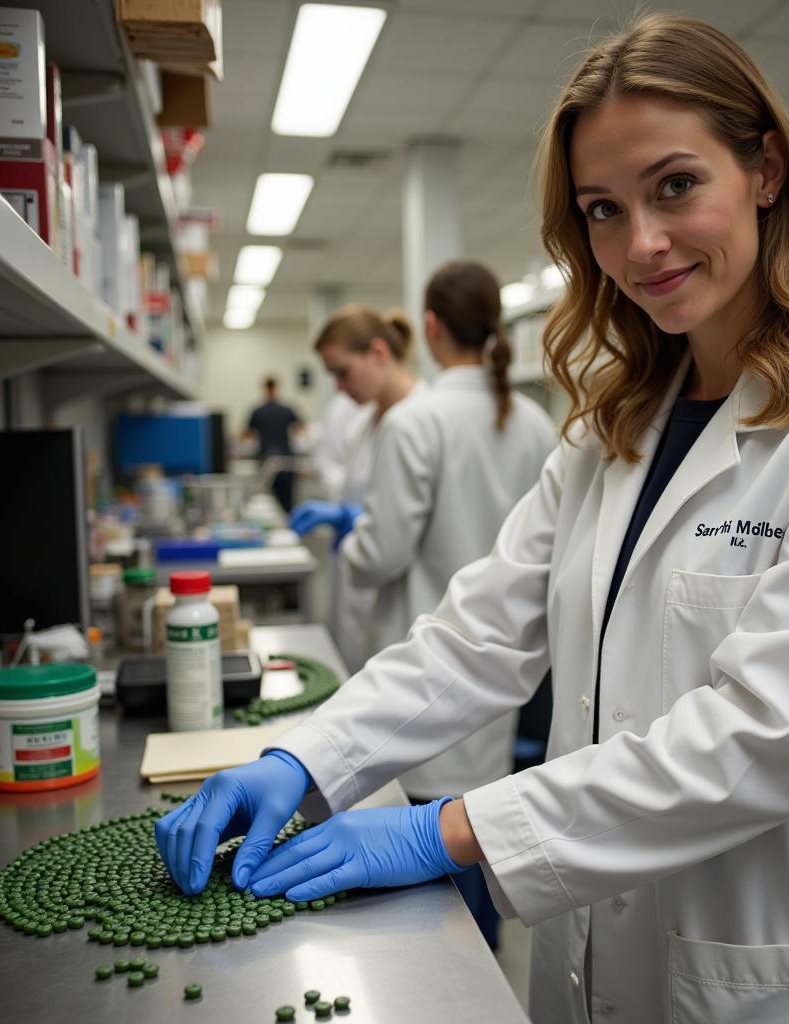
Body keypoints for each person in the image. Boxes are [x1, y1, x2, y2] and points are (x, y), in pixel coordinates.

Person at [157, 14, 789, 1024]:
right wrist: (305, 757)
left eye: (675, 185)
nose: (640, 243)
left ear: (763, 170)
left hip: (775, 972)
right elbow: (478, 634)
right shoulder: (611, 429)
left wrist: (443, 832)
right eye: (601, 208)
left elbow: (760, 737)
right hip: (591, 959)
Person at [296, 259, 557, 947]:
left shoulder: (416, 421)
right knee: (477, 844)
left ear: (432, 328)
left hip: (428, 668)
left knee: (423, 890)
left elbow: (380, 554)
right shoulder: (532, 419)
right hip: (499, 676)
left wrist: (347, 541)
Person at [291, 306, 421, 673]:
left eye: (343, 372)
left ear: (378, 353)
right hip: (357, 587)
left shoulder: (425, 419)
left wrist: (363, 521)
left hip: (407, 603)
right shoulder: (361, 423)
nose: (339, 387)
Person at [244, 377, 303, 512]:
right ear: (276, 389)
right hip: (285, 461)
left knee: (266, 502)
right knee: (287, 503)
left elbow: (246, 434)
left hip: (265, 461)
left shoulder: (258, 411)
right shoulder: (287, 409)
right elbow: (301, 429)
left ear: (265, 389)